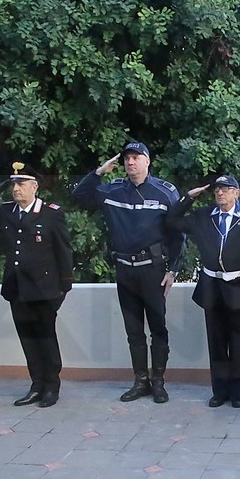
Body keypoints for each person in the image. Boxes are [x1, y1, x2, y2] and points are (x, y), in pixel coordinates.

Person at [72, 142, 183, 403]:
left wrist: (173, 269)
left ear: (147, 161)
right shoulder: (112, 190)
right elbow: (79, 196)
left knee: (157, 328)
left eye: (136, 157)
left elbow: (178, 233)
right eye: (127, 159)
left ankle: (158, 382)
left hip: (153, 270)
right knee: (133, 330)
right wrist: (99, 172)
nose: (130, 162)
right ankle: (140, 381)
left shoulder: (165, 192)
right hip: (125, 270)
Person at [0, 163, 73, 408]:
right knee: (28, 340)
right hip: (17, 289)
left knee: (46, 339)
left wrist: (63, 288)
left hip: (44, 289)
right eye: (13, 184)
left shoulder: (51, 213)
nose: (16, 188)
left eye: (21, 183)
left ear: (34, 187)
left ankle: (52, 386)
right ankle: (36, 385)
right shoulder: (7, 211)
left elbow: (64, 251)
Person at [166, 174, 240, 408]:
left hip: (239, 286)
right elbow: (171, 220)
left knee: (239, 343)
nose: (220, 193)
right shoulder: (203, 216)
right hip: (212, 287)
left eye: (226, 189)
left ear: (236, 193)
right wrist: (188, 197)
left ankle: (239, 392)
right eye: (217, 189)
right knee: (216, 342)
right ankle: (219, 391)